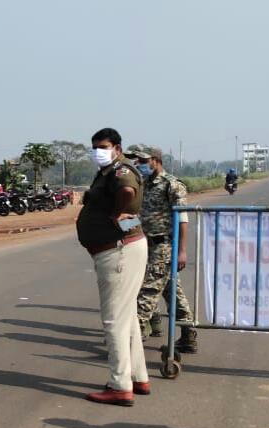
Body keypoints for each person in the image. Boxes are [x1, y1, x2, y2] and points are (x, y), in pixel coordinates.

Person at [76, 128, 149, 406]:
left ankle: (120, 385)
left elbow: (128, 191)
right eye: (94, 147)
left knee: (114, 320)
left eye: (103, 146)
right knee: (127, 317)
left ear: (117, 147)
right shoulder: (109, 170)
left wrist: (115, 214)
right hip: (122, 246)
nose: (98, 151)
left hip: (118, 250)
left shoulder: (120, 169)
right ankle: (138, 377)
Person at [130, 147, 198, 353]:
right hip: (146, 244)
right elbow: (142, 217)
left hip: (164, 246)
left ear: (156, 160)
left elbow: (182, 218)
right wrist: (121, 226)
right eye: (137, 160)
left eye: (142, 160)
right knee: (172, 292)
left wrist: (182, 250)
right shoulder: (144, 184)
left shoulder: (172, 185)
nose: (138, 164)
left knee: (147, 291)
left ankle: (134, 336)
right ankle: (188, 336)